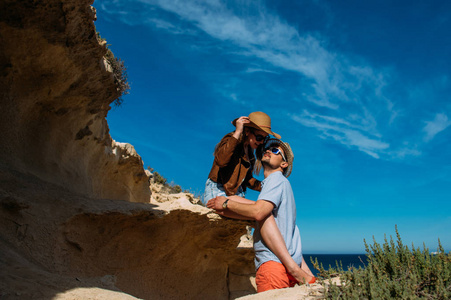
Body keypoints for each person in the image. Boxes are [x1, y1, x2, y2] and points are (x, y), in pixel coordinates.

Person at [207, 139, 316, 293]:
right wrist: (307, 273)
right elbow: (291, 235)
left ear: (283, 164)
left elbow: (259, 212)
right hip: (290, 266)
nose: (269, 150)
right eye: (269, 148)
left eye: (276, 151)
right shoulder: (280, 186)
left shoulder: (276, 179)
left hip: (273, 265)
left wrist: (225, 204)